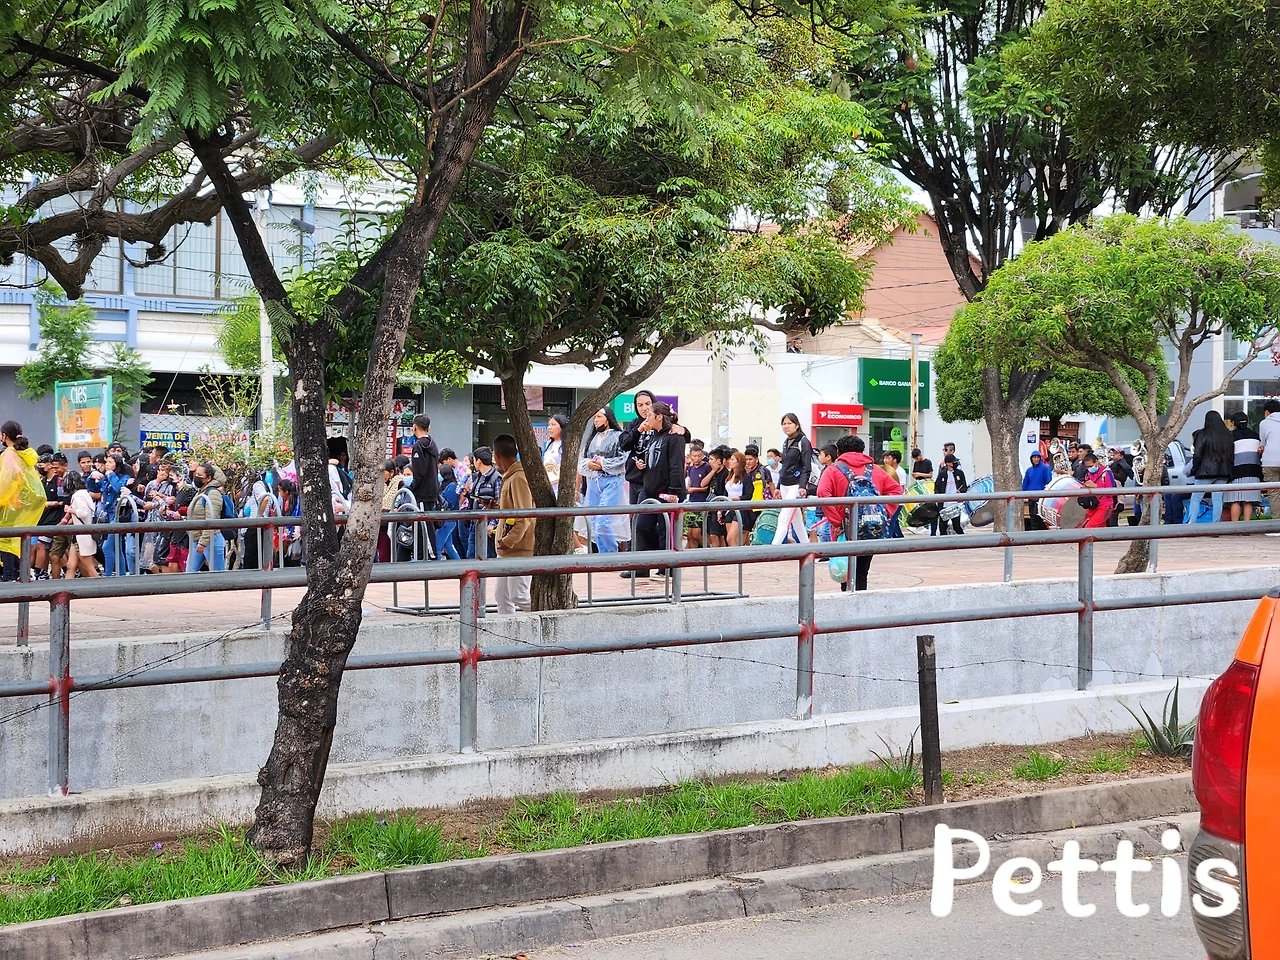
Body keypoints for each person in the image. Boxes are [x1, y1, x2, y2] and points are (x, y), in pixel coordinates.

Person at [815, 435, 903, 591]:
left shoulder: (833, 470)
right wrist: (883, 512)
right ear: (862, 451)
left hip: (844, 530)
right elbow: (896, 490)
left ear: (838, 452)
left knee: (845, 571)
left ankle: (848, 602)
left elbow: (822, 493)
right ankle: (861, 602)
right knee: (862, 572)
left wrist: (837, 521)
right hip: (870, 527)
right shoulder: (875, 470)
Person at [627, 402, 686, 579]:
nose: (647, 419)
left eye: (649, 415)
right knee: (641, 526)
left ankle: (667, 567)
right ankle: (647, 562)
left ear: (659, 417)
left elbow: (676, 465)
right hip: (649, 488)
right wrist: (642, 466)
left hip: (666, 491)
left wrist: (674, 491)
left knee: (665, 530)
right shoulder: (653, 435)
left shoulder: (674, 437)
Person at [491, 434, 534, 614]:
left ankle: (551, 617)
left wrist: (509, 540)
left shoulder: (518, 478)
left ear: (497, 455)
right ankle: (508, 628)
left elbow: (524, 515)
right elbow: (513, 508)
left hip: (518, 548)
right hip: (507, 547)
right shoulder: (510, 476)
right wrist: (496, 507)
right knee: (502, 596)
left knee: (518, 595)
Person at [579, 407, 630, 556]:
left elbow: (623, 459)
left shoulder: (618, 436)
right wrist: (589, 464)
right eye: (595, 417)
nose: (596, 420)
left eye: (599, 417)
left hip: (612, 481)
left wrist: (603, 463)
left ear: (608, 419)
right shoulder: (592, 438)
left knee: (603, 521)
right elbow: (583, 459)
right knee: (594, 521)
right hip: (594, 482)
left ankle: (611, 553)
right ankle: (603, 555)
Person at [0, 420, 44, 581]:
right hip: (21, 505)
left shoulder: (9, 454)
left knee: (6, 540)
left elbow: (6, 481)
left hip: (9, 504)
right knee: (15, 540)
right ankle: (19, 574)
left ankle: (9, 577)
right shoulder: (24, 454)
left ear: (4, 435)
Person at [771, 413, 813, 545]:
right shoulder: (786, 442)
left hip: (796, 484)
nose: (786, 426)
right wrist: (778, 486)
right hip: (784, 484)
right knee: (796, 519)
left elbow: (806, 466)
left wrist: (802, 485)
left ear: (797, 425)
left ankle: (773, 549)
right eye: (784, 424)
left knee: (784, 517)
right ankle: (806, 547)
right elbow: (784, 466)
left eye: (789, 423)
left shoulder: (803, 441)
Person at [1186, 410, 1234, 524]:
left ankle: (1191, 523)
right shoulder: (1228, 435)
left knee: (1196, 498)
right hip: (1223, 472)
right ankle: (1216, 524)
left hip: (1205, 472)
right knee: (1217, 498)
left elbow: (1197, 455)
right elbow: (1231, 455)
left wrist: (1194, 469)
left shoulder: (1202, 434)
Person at [187, 462, 227, 572]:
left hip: (210, 540)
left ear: (208, 478)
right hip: (197, 538)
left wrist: (203, 542)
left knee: (218, 574)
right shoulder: (201, 491)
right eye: (196, 474)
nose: (196, 477)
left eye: (200, 475)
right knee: (189, 574)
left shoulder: (212, 493)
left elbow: (211, 519)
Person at [409, 413, 440, 552]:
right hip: (432, 489)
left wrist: (412, 486)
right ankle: (425, 554)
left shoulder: (418, 446)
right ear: (429, 428)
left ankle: (431, 555)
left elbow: (419, 471)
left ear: (414, 427)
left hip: (423, 491)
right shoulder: (432, 444)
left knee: (425, 526)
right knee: (425, 524)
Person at [463, 446, 502, 559]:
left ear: (479, 461)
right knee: (471, 556)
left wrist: (492, 524)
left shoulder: (496, 478)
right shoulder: (478, 477)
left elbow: (499, 503)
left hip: (487, 525)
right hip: (475, 523)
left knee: (487, 557)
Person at [1225, 412, 1262, 522]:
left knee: (1235, 500)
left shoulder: (1230, 436)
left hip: (1235, 472)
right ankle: (1247, 527)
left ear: (1233, 423)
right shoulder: (1256, 436)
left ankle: (1235, 526)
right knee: (1248, 501)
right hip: (1253, 472)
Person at [62, 471, 100, 577]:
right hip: (79, 535)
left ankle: (101, 586)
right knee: (70, 565)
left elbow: (83, 513)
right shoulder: (84, 493)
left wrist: (70, 510)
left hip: (82, 535)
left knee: (89, 567)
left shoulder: (78, 496)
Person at [1079, 451, 1117, 528]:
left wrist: (1095, 486)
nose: (1089, 468)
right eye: (1087, 467)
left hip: (1105, 505)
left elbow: (1111, 492)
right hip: (1093, 505)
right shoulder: (1088, 475)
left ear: (1096, 462)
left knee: (1090, 527)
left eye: (1091, 466)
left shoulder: (1107, 473)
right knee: (1096, 528)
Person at [684, 441, 711, 548]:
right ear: (690, 456)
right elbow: (689, 481)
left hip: (701, 502)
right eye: (694, 456)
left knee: (696, 533)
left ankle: (707, 549)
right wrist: (688, 489)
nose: (697, 458)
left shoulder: (706, 467)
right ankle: (693, 555)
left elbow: (706, 487)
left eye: (699, 456)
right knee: (689, 534)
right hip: (691, 502)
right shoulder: (690, 468)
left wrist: (694, 489)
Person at [704, 446, 731, 547]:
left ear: (719, 461)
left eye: (711, 459)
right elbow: (703, 484)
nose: (709, 462)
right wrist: (713, 471)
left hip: (719, 507)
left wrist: (721, 510)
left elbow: (725, 493)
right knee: (713, 534)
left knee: (715, 535)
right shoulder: (712, 472)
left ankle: (717, 555)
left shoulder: (726, 474)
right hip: (710, 506)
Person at [933, 454, 967, 536]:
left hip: (955, 504)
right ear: (948, 463)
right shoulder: (942, 474)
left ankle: (963, 540)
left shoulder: (959, 473)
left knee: (957, 526)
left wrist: (960, 492)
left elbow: (964, 487)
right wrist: (939, 498)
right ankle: (944, 542)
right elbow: (936, 487)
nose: (954, 464)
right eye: (952, 462)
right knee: (942, 527)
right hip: (944, 505)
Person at [435, 463, 462, 560]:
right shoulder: (443, 485)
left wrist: (439, 499)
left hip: (447, 520)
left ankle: (436, 567)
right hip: (445, 520)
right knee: (448, 547)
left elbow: (450, 503)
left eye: (439, 472)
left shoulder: (452, 486)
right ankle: (459, 565)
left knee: (437, 547)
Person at [1261, 399, 1280, 532]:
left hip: (1270, 461)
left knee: (1274, 493)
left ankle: (1276, 525)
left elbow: (1262, 443)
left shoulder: (1265, 423)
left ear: (1267, 412)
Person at [1021, 451, 1053, 531]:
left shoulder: (1045, 468)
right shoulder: (1029, 470)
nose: (1036, 459)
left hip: (1041, 498)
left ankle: (1040, 533)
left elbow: (1049, 482)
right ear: (1031, 459)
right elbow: (1025, 483)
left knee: (1039, 517)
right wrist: (1023, 494)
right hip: (1031, 497)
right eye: (1034, 457)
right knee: (1032, 516)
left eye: (1038, 457)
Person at [542, 414, 568, 497]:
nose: (549, 427)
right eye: (549, 425)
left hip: (560, 485)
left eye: (553, 424)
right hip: (548, 484)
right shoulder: (549, 444)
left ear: (562, 426)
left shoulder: (566, 445)